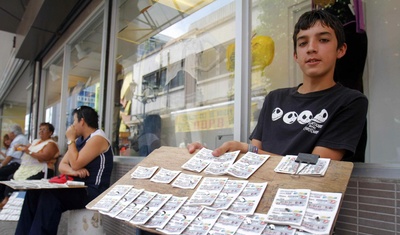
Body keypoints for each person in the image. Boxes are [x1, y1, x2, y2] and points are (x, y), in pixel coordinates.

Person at [188, 10, 368, 162]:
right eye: (303, 43)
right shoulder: (275, 98)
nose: (311, 48)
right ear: (296, 55)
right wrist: (212, 156)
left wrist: (248, 150)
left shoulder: (350, 102)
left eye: (323, 40)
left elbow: (315, 164)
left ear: (341, 50)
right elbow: (253, 157)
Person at [15, 106, 114, 235]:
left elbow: (75, 163)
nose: (72, 126)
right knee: (33, 193)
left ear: (82, 121)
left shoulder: (98, 138)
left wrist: (70, 140)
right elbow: (62, 165)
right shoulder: (79, 141)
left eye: (74, 122)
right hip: (76, 187)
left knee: (50, 196)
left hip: (92, 191)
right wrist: (73, 172)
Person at [0, 122, 60, 209]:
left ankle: (24, 204)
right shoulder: (36, 141)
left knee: (28, 181)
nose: (41, 132)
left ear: (50, 133)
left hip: (43, 170)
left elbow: (44, 157)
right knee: (11, 177)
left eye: (44, 130)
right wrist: (20, 147)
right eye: (40, 129)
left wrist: (28, 151)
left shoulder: (51, 144)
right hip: (28, 168)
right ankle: (6, 200)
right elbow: (27, 147)